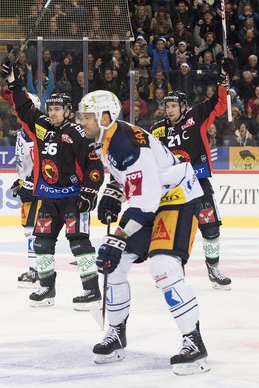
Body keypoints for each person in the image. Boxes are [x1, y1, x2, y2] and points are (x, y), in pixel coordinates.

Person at [78, 90, 210, 376]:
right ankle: (115, 334)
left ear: (105, 117)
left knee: (163, 265)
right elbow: (123, 176)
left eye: (87, 117)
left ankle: (193, 340)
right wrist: (113, 191)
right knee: (114, 267)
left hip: (176, 198)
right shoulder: (105, 139)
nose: (82, 122)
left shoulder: (127, 144)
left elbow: (145, 202)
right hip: (151, 199)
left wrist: (119, 237)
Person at [1, 61, 104, 310]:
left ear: (68, 111)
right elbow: (25, 108)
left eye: (58, 109)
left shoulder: (78, 133)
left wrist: (89, 193)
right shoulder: (42, 127)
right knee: (42, 243)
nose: (53, 112)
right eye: (50, 108)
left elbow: (94, 166)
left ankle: (91, 291)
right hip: (48, 198)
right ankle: (47, 288)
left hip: (73, 198)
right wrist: (14, 85)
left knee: (79, 244)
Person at [149, 61, 232, 290]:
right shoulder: (157, 129)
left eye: (174, 105)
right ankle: (171, 271)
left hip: (198, 182)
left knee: (211, 226)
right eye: (167, 106)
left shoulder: (196, 116)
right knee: (173, 231)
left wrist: (224, 80)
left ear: (183, 107)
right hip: (171, 188)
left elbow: (221, 103)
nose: (169, 109)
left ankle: (213, 270)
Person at [0, 88, 42, 288]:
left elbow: (44, 165)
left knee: (38, 230)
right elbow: (24, 165)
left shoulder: (41, 133)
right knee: (29, 229)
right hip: (29, 187)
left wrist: (31, 183)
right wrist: (21, 181)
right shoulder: (22, 135)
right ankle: (35, 269)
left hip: (42, 189)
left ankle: (39, 271)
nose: (15, 112)